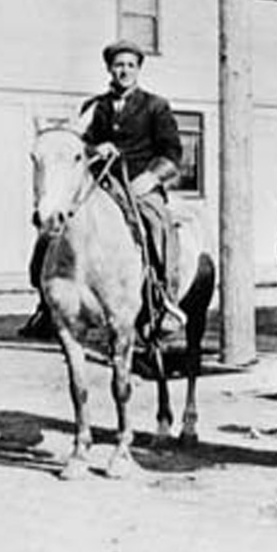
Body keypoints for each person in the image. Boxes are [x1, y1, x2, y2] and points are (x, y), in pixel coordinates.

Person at [19, 39, 186, 340]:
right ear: (109, 68)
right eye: (118, 65)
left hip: (139, 185)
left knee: (157, 224)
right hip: (99, 185)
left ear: (138, 70)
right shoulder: (93, 107)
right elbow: (79, 147)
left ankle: (163, 301)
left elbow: (172, 154)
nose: (124, 71)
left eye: (130, 66)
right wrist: (97, 149)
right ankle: (46, 304)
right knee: (52, 230)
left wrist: (150, 178)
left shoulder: (155, 106)